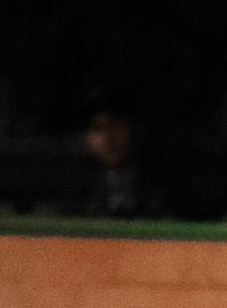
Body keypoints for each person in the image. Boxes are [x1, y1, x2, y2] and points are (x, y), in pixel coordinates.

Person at [71, 91, 176, 220]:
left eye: (116, 126)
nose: (108, 137)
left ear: (135, 130)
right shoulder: (77, 197)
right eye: (97, 128)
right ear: (87, 139)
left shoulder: (165, 193)